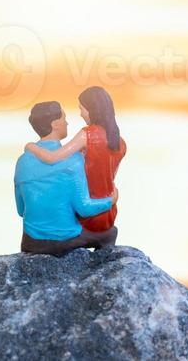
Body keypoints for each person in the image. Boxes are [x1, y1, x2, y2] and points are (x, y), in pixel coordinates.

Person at [15, 100, 119, 256]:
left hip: (31, 241)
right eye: (64, 118)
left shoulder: (22, 161)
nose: (67, 123)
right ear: (55, 123)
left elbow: (21, 210)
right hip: (64, 241)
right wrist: (111, 200)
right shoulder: (74, 161)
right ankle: (100, 269)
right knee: (110, 232)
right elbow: (84, 208)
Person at [21, 86, 126, 233]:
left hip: (87, 215)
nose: (80, 114)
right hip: (108, 214)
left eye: (81, 109)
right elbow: (108, 177)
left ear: (92, 109)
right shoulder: (120, 143)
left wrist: (30, 146)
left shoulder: (87, 135)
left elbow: (52, 158)